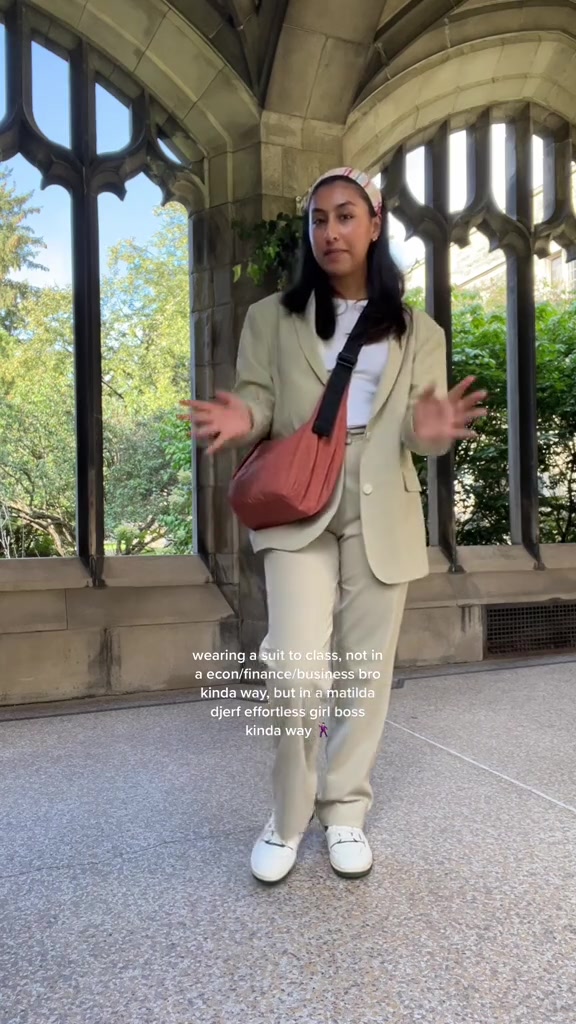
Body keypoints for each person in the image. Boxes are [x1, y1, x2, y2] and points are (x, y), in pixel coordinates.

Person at [182, 167, 487, 885]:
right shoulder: (271, 317)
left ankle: (345, 809)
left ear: (374, 225)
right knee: (294, 667)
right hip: (299, 499)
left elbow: (418, 426)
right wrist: (244, 416)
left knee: (364, 672)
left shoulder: (419, 331)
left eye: (346, 216)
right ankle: (288, 815)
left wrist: (431, 430)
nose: (330, 232)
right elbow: (259, 399)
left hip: (382, 503)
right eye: (319, 219)